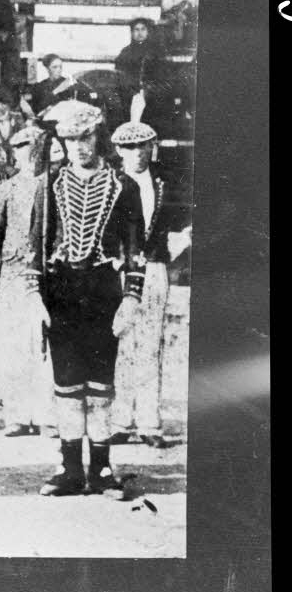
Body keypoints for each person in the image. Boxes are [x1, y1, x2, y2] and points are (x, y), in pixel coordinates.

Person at [24, 102, 145, 498]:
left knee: (101, 385)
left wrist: (131, 298)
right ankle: (69, 468)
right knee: (67, 384)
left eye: (85, 137)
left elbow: (135, 248)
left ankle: (103, 469)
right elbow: (35, 245)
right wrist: (35, 297)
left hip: (103, 292)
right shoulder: (49, 184)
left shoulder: (122, 186)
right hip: (62, 292)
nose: (78, 146)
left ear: (99, 137)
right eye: (70, 139)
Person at [0, 124, 56, 438]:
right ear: (15, 151)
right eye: (25, 146)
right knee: (14, 346)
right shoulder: (6, 189)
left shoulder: (56, 185)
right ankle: (17, 415)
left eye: (38, 145)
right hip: (12, 275)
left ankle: (47, 414)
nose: (32, 151)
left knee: (47, 346)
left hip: (49, 278)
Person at [109, 121, 175, 449]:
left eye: (143, 146)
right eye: (130, 148)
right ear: (119, 151)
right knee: (122, 344)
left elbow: (184, 219)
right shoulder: (110, 183)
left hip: (156, 267)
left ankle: (149, 422)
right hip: (120, 271)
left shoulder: (165, 182)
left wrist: (178, 244)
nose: (137, 154)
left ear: (153, 147)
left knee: (151, 344)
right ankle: (120, 420)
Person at [113, 18, 170, 130]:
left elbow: (162, 75)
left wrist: (149, 89)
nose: (140, 33)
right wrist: (133, 91)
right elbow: (119, 75)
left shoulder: (157, 52)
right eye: (136, 30)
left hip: (152, 95)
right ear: (132, 32)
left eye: (143, 29)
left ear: (148, 31)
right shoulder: (126, 53)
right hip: (130, 94)